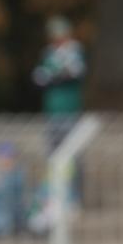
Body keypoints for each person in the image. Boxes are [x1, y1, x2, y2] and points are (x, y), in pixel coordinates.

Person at [32, 15, 85, 201]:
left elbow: (72, 75)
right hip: (52, 112)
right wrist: (54, 76)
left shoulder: (74, 51)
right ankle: (55, 196)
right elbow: (39, 79)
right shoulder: (48, 53)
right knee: (53, 156)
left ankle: (73, 197)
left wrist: (54, 77)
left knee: (72, 155)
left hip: (69, 111)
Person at [0, 142, 27, 238]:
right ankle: (0, 229)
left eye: (10, 157)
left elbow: (19, 194)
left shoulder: (18, 174)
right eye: (4, 157)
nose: (7, 161)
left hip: (15, 211)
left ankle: (14, 228)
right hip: (0, 214)